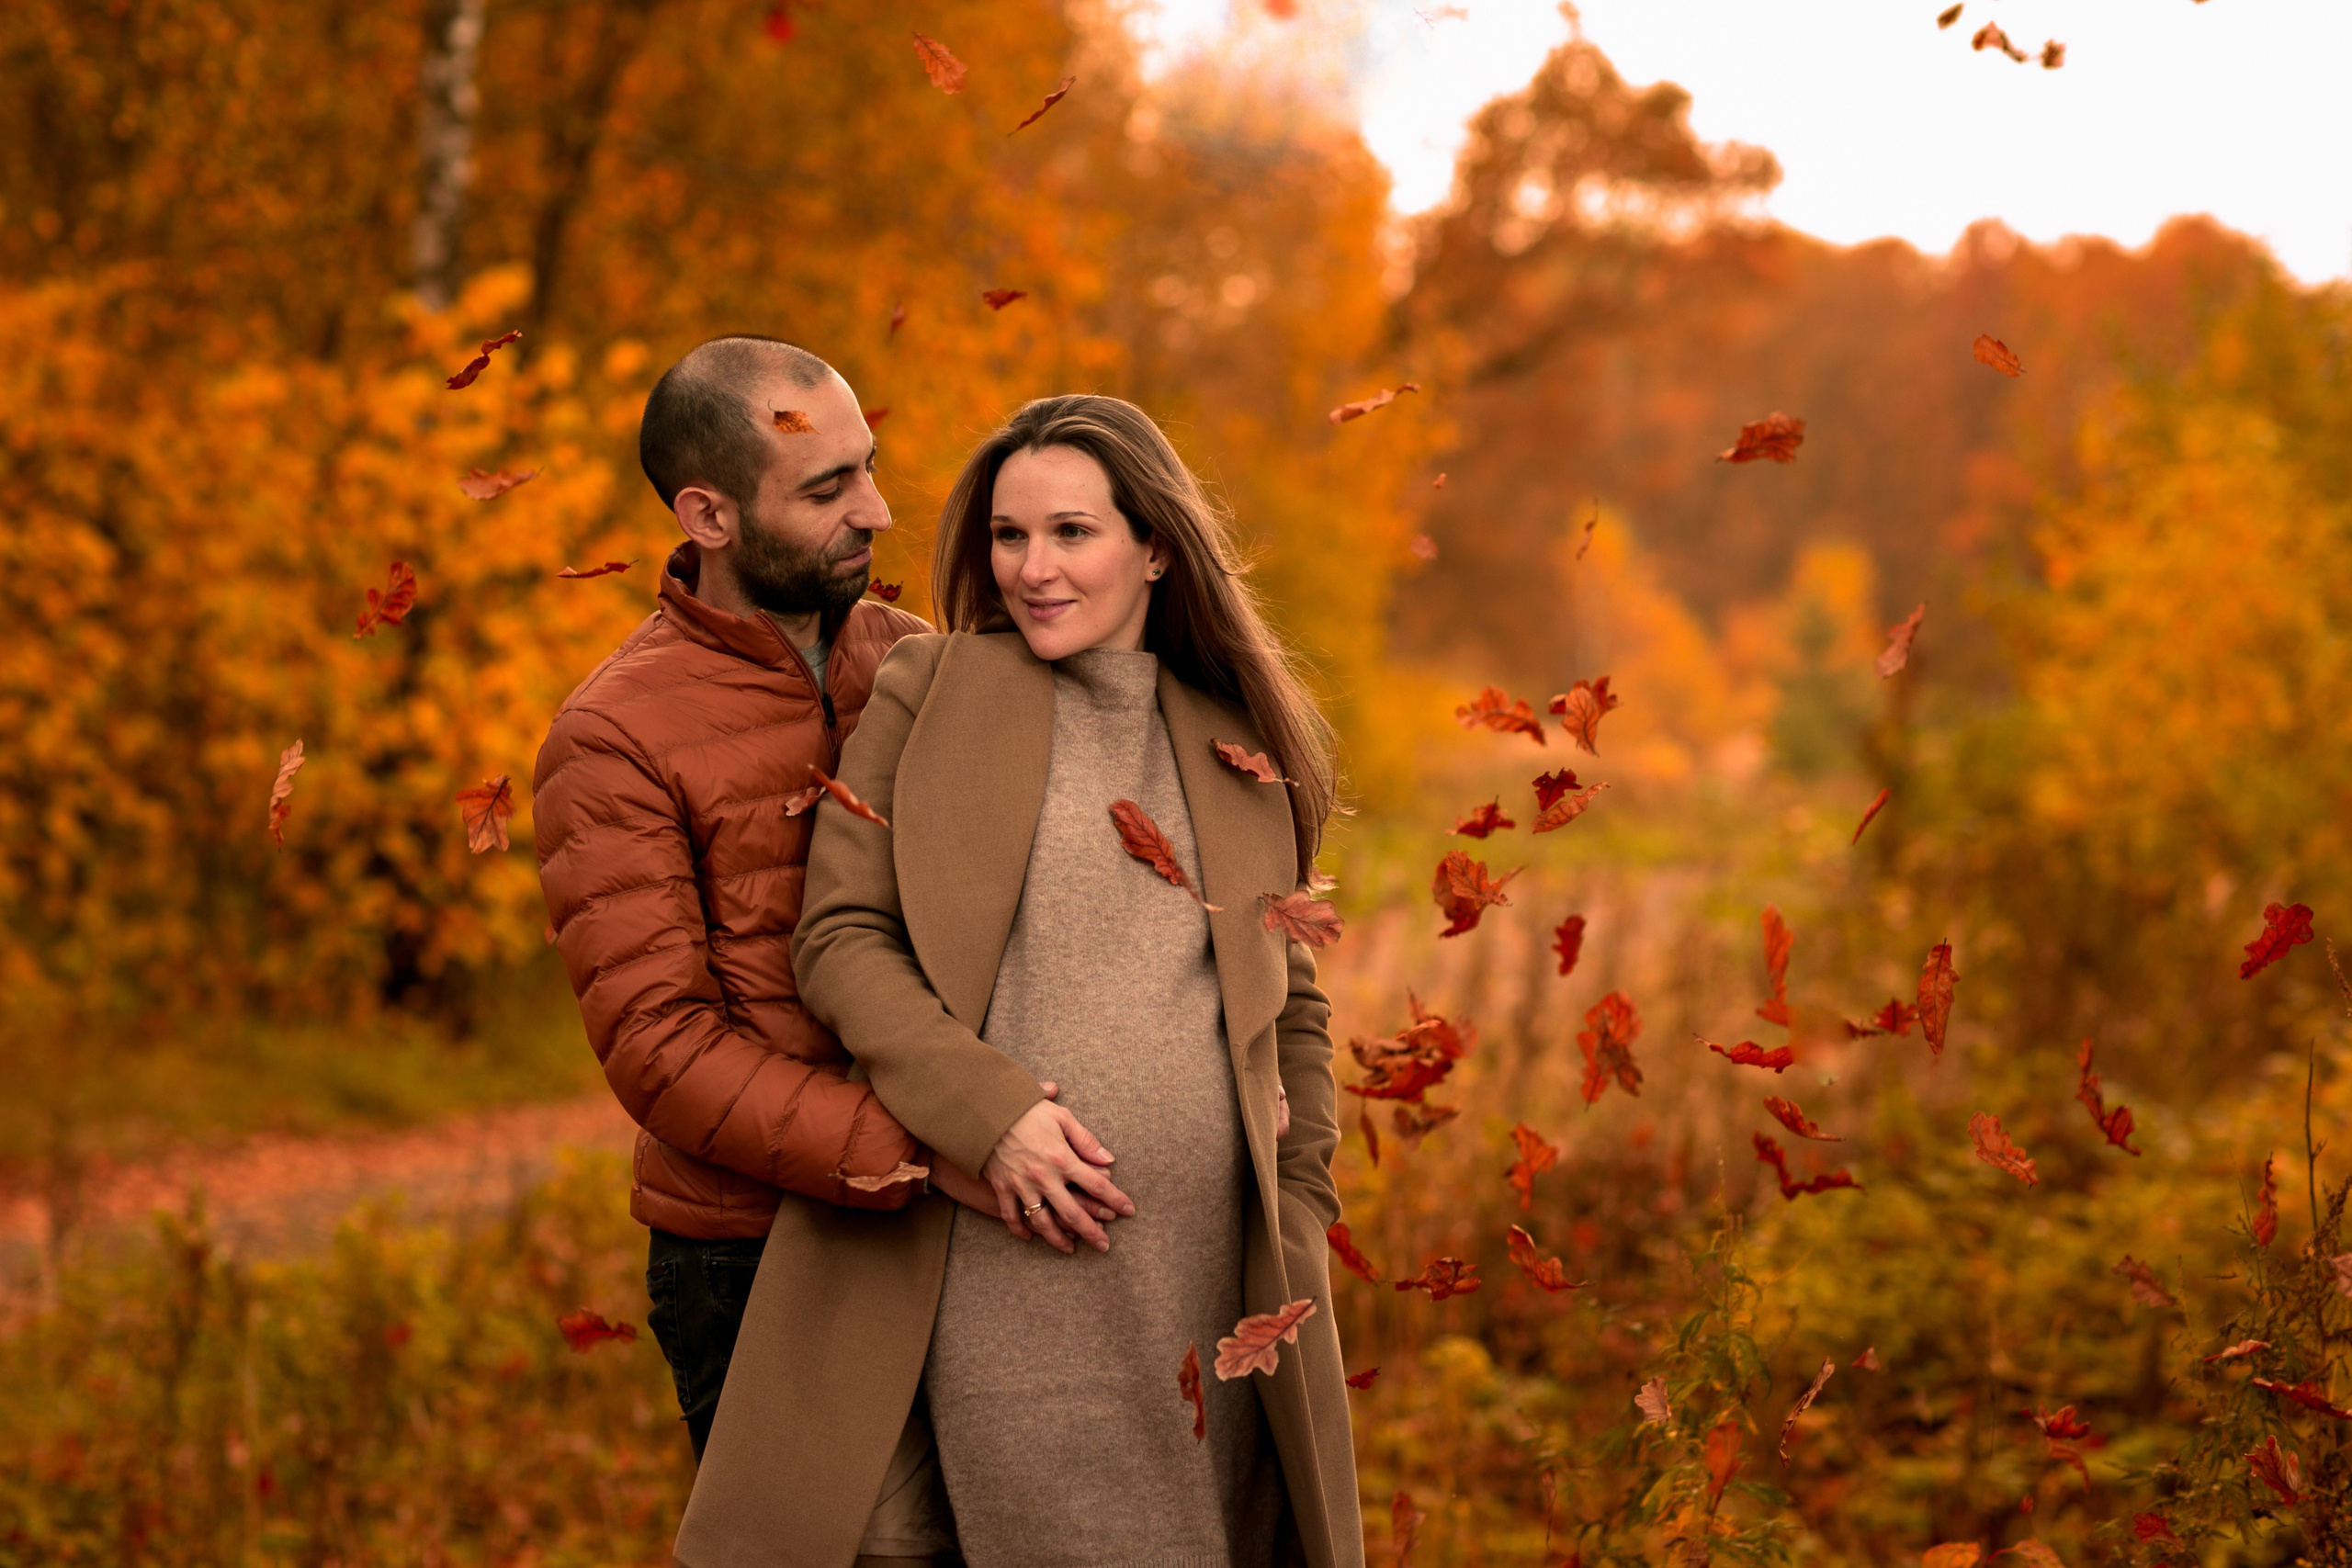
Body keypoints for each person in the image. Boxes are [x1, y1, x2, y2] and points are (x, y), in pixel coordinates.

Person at [675, 395, 1363, 1568]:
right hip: (1010, 1257)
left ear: (1155, 547)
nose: (1031, 569)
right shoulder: (931, 688)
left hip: (1217, 1272)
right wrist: (990, 1116)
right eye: (1008, 535)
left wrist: (1298, 1195)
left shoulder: (1234, 733)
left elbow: (1287, 992)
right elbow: (839, 938)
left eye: (1070, 533)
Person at [532, 335, 1010, 1556]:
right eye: (827, 487)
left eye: (869, 467)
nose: (877, 510)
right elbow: (660, 1047)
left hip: (956, 1220)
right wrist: (924, 1150)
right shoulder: (612, 735)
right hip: (755, 1253)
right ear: (709, 515)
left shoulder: (912, 656)